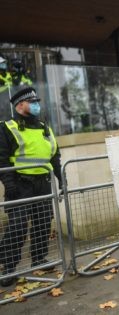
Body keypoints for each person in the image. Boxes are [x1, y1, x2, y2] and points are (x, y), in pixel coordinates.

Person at [0, 87, 62, 287]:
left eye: (37, 101)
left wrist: (61, 177)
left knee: (43, 223)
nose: (37, 105)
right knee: (18, 226)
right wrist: (9, 185)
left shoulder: (45, 127)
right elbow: (2, 160)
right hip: (20, 184)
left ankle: (39, 258)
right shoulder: (7, 127)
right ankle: (8, 268)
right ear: (20, 105)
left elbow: (54, 155)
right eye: (32, 102)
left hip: (42, 182)